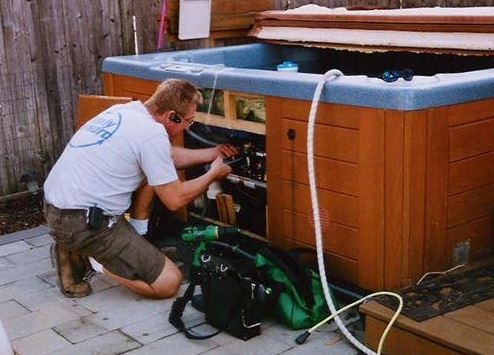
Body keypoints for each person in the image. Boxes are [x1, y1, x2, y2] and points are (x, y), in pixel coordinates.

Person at [44, 79, 237, 299]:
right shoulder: (151, 134)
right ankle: (93, 260)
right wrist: (213, 174)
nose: (187, 127)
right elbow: (174, 199)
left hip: (57, 209)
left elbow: (166, 158)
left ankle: (125, 242)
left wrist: (214, 152)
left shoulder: (124, 112)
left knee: (154, 174)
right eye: (188, 121)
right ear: (171, 116)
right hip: (86, 224)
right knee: (168, 283)